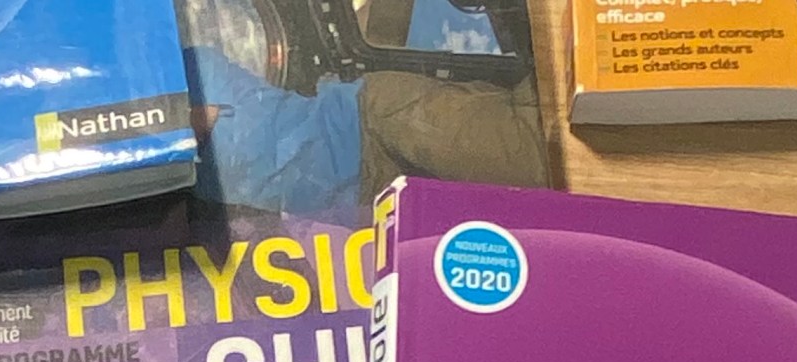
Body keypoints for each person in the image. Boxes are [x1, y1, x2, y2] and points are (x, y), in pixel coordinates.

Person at [184, 44, 550, 224]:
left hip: (369, 122)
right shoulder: (162, 189)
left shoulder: (186, 69)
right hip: (367, 209)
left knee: (535, 161)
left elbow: (200, 121)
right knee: (530, 229)